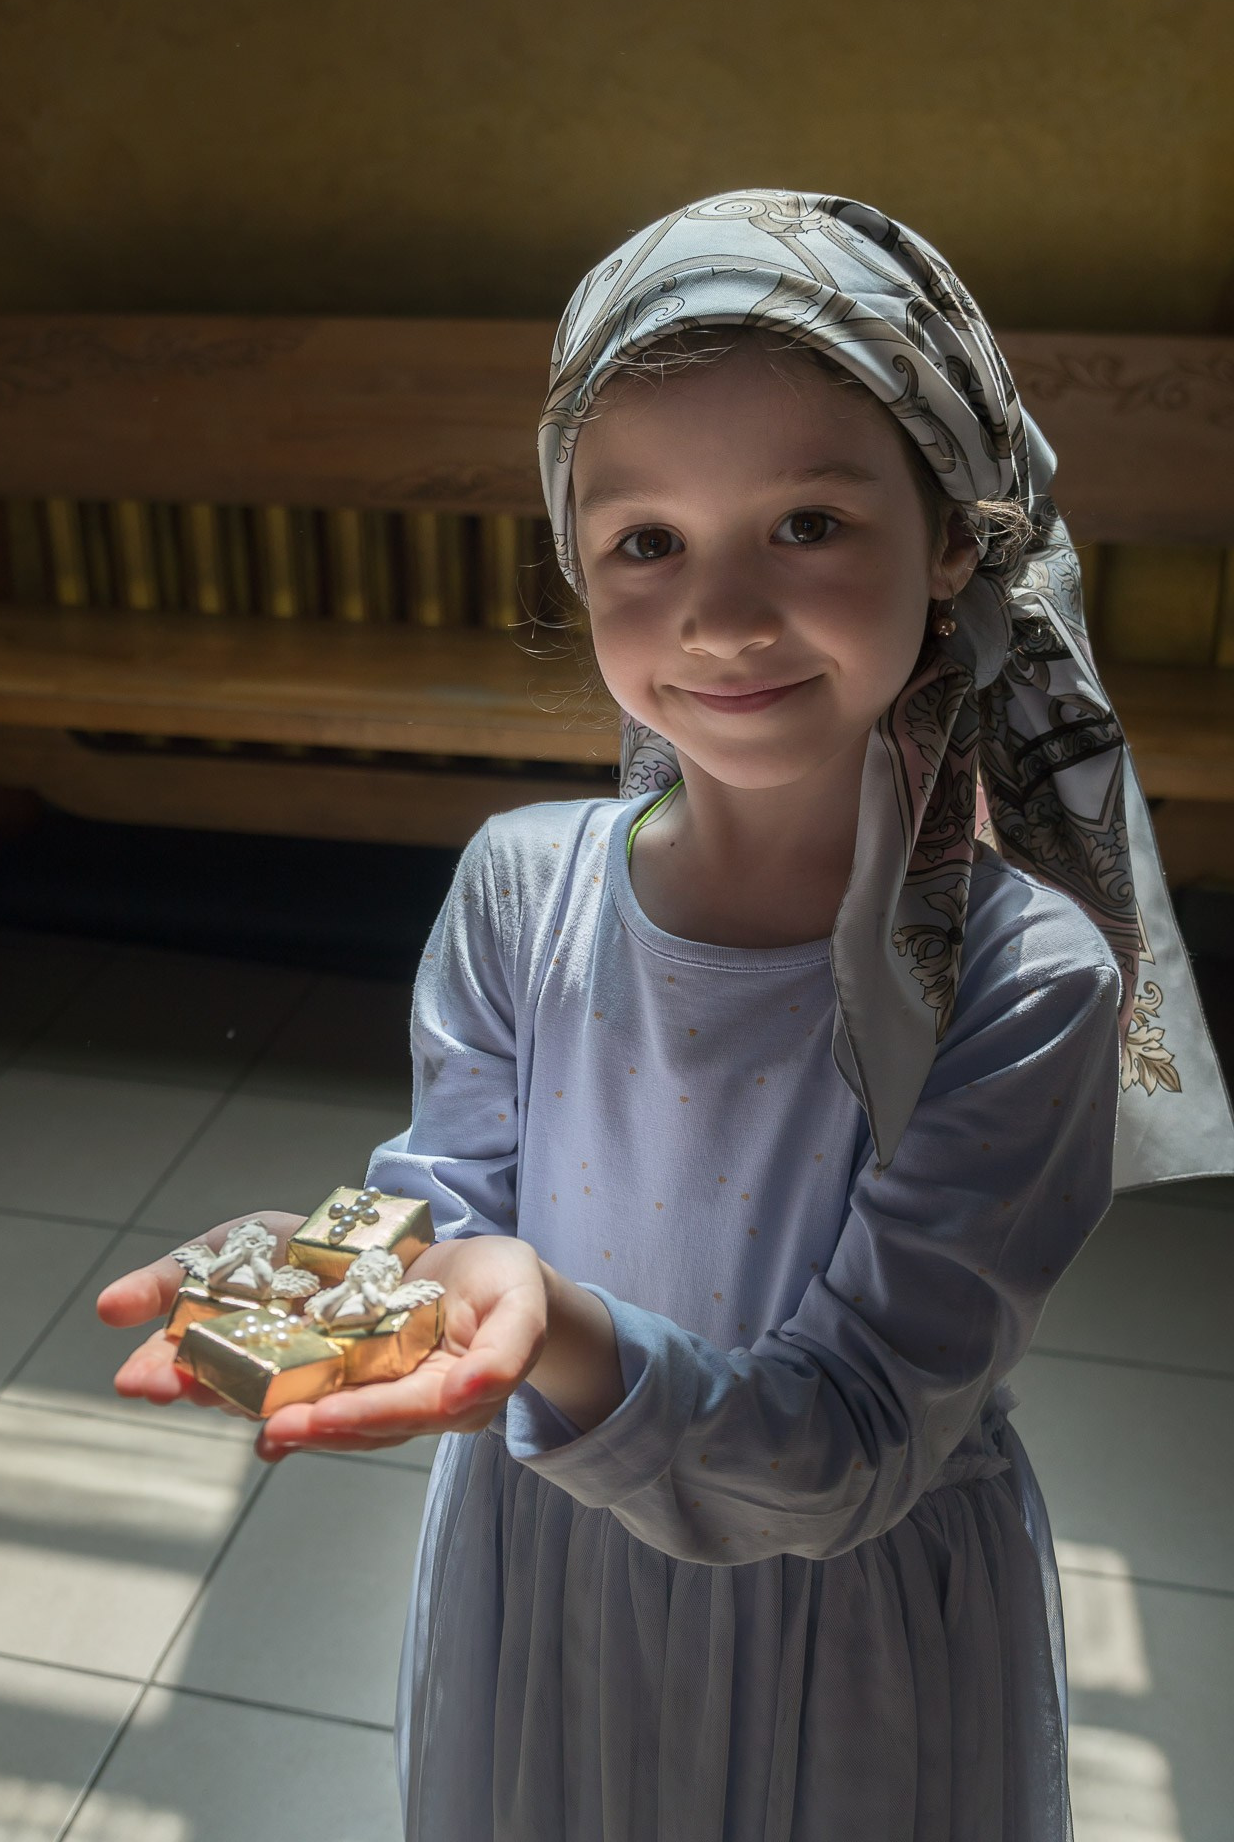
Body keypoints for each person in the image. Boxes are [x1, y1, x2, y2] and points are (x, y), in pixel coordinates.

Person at [100, 191, 1234, 1842]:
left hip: (845, 1636)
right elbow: (450, 1202)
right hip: (546, 1579)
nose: (723, 615)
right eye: (648, 542)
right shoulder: (518, 887)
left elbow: (854, 1437)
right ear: (578, 560)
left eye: (808, 522)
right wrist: (343, 1274)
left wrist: (549, 1323)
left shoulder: (1024, 979)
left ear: (954, 542)